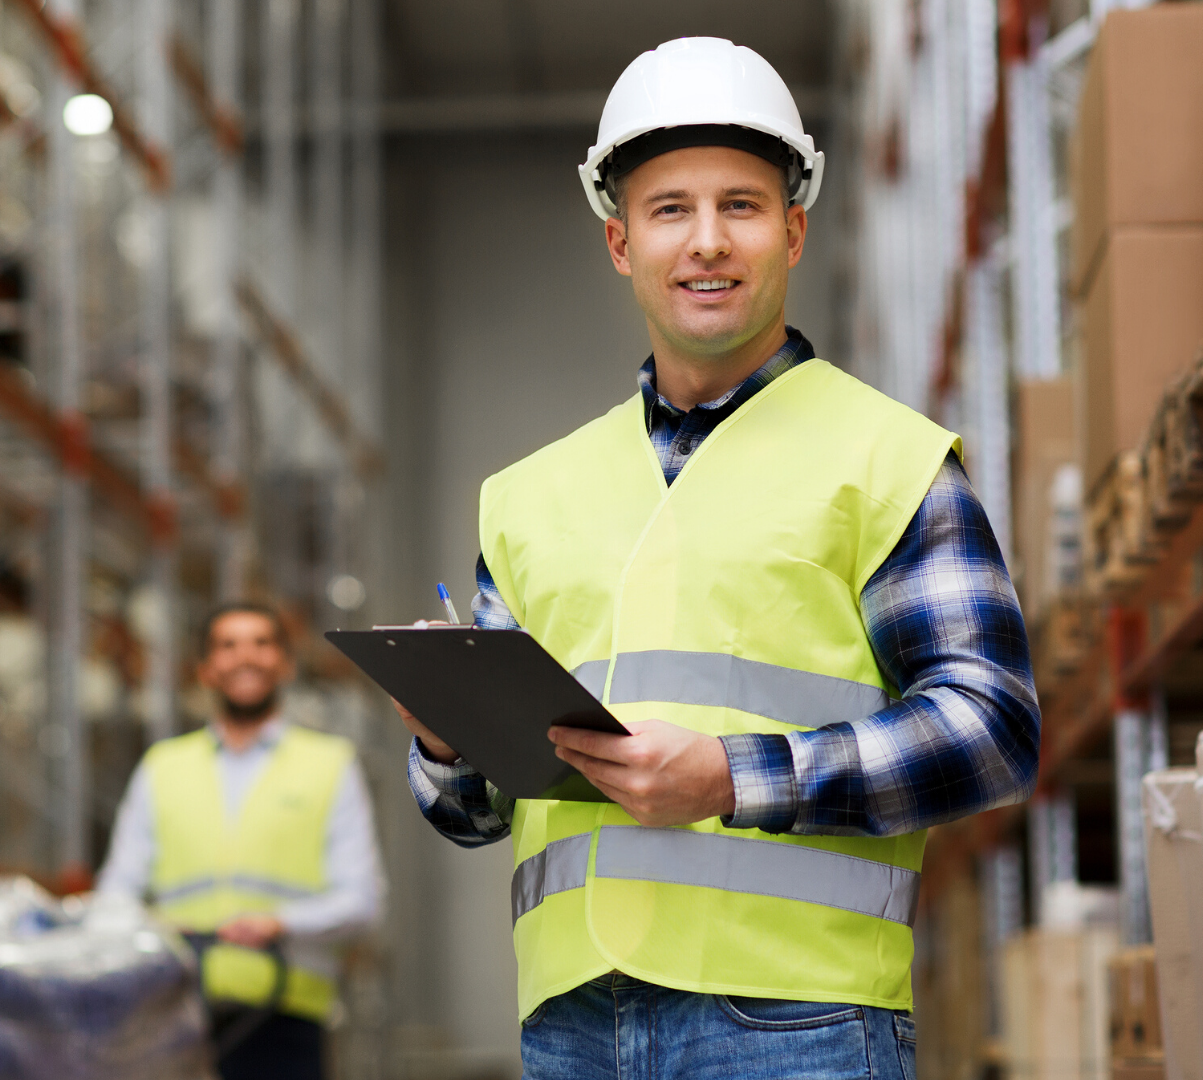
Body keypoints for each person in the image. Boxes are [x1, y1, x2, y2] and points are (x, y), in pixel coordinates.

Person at [395, 37, 1039, 1079]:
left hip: (801, 1025)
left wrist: (736, 778)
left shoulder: (888, 461)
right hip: (571, 1031)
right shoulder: (528, 497)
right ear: (619, 243)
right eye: (669, 210)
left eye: (740, 206)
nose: (706, 242)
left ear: (791, 231)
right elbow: (475, 813)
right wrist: (444, 742)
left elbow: (992, 731)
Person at [100, 603, 383, 1080]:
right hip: (174, 1014)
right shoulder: (162, 767)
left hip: (282, 1015)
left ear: (285, 664)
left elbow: (363, 900)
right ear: (206, 670)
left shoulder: (330, 764)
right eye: (228, 646)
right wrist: (152, 929)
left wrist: (278, 923)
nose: (245, 657)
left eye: (261, 643)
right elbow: (116, 892)